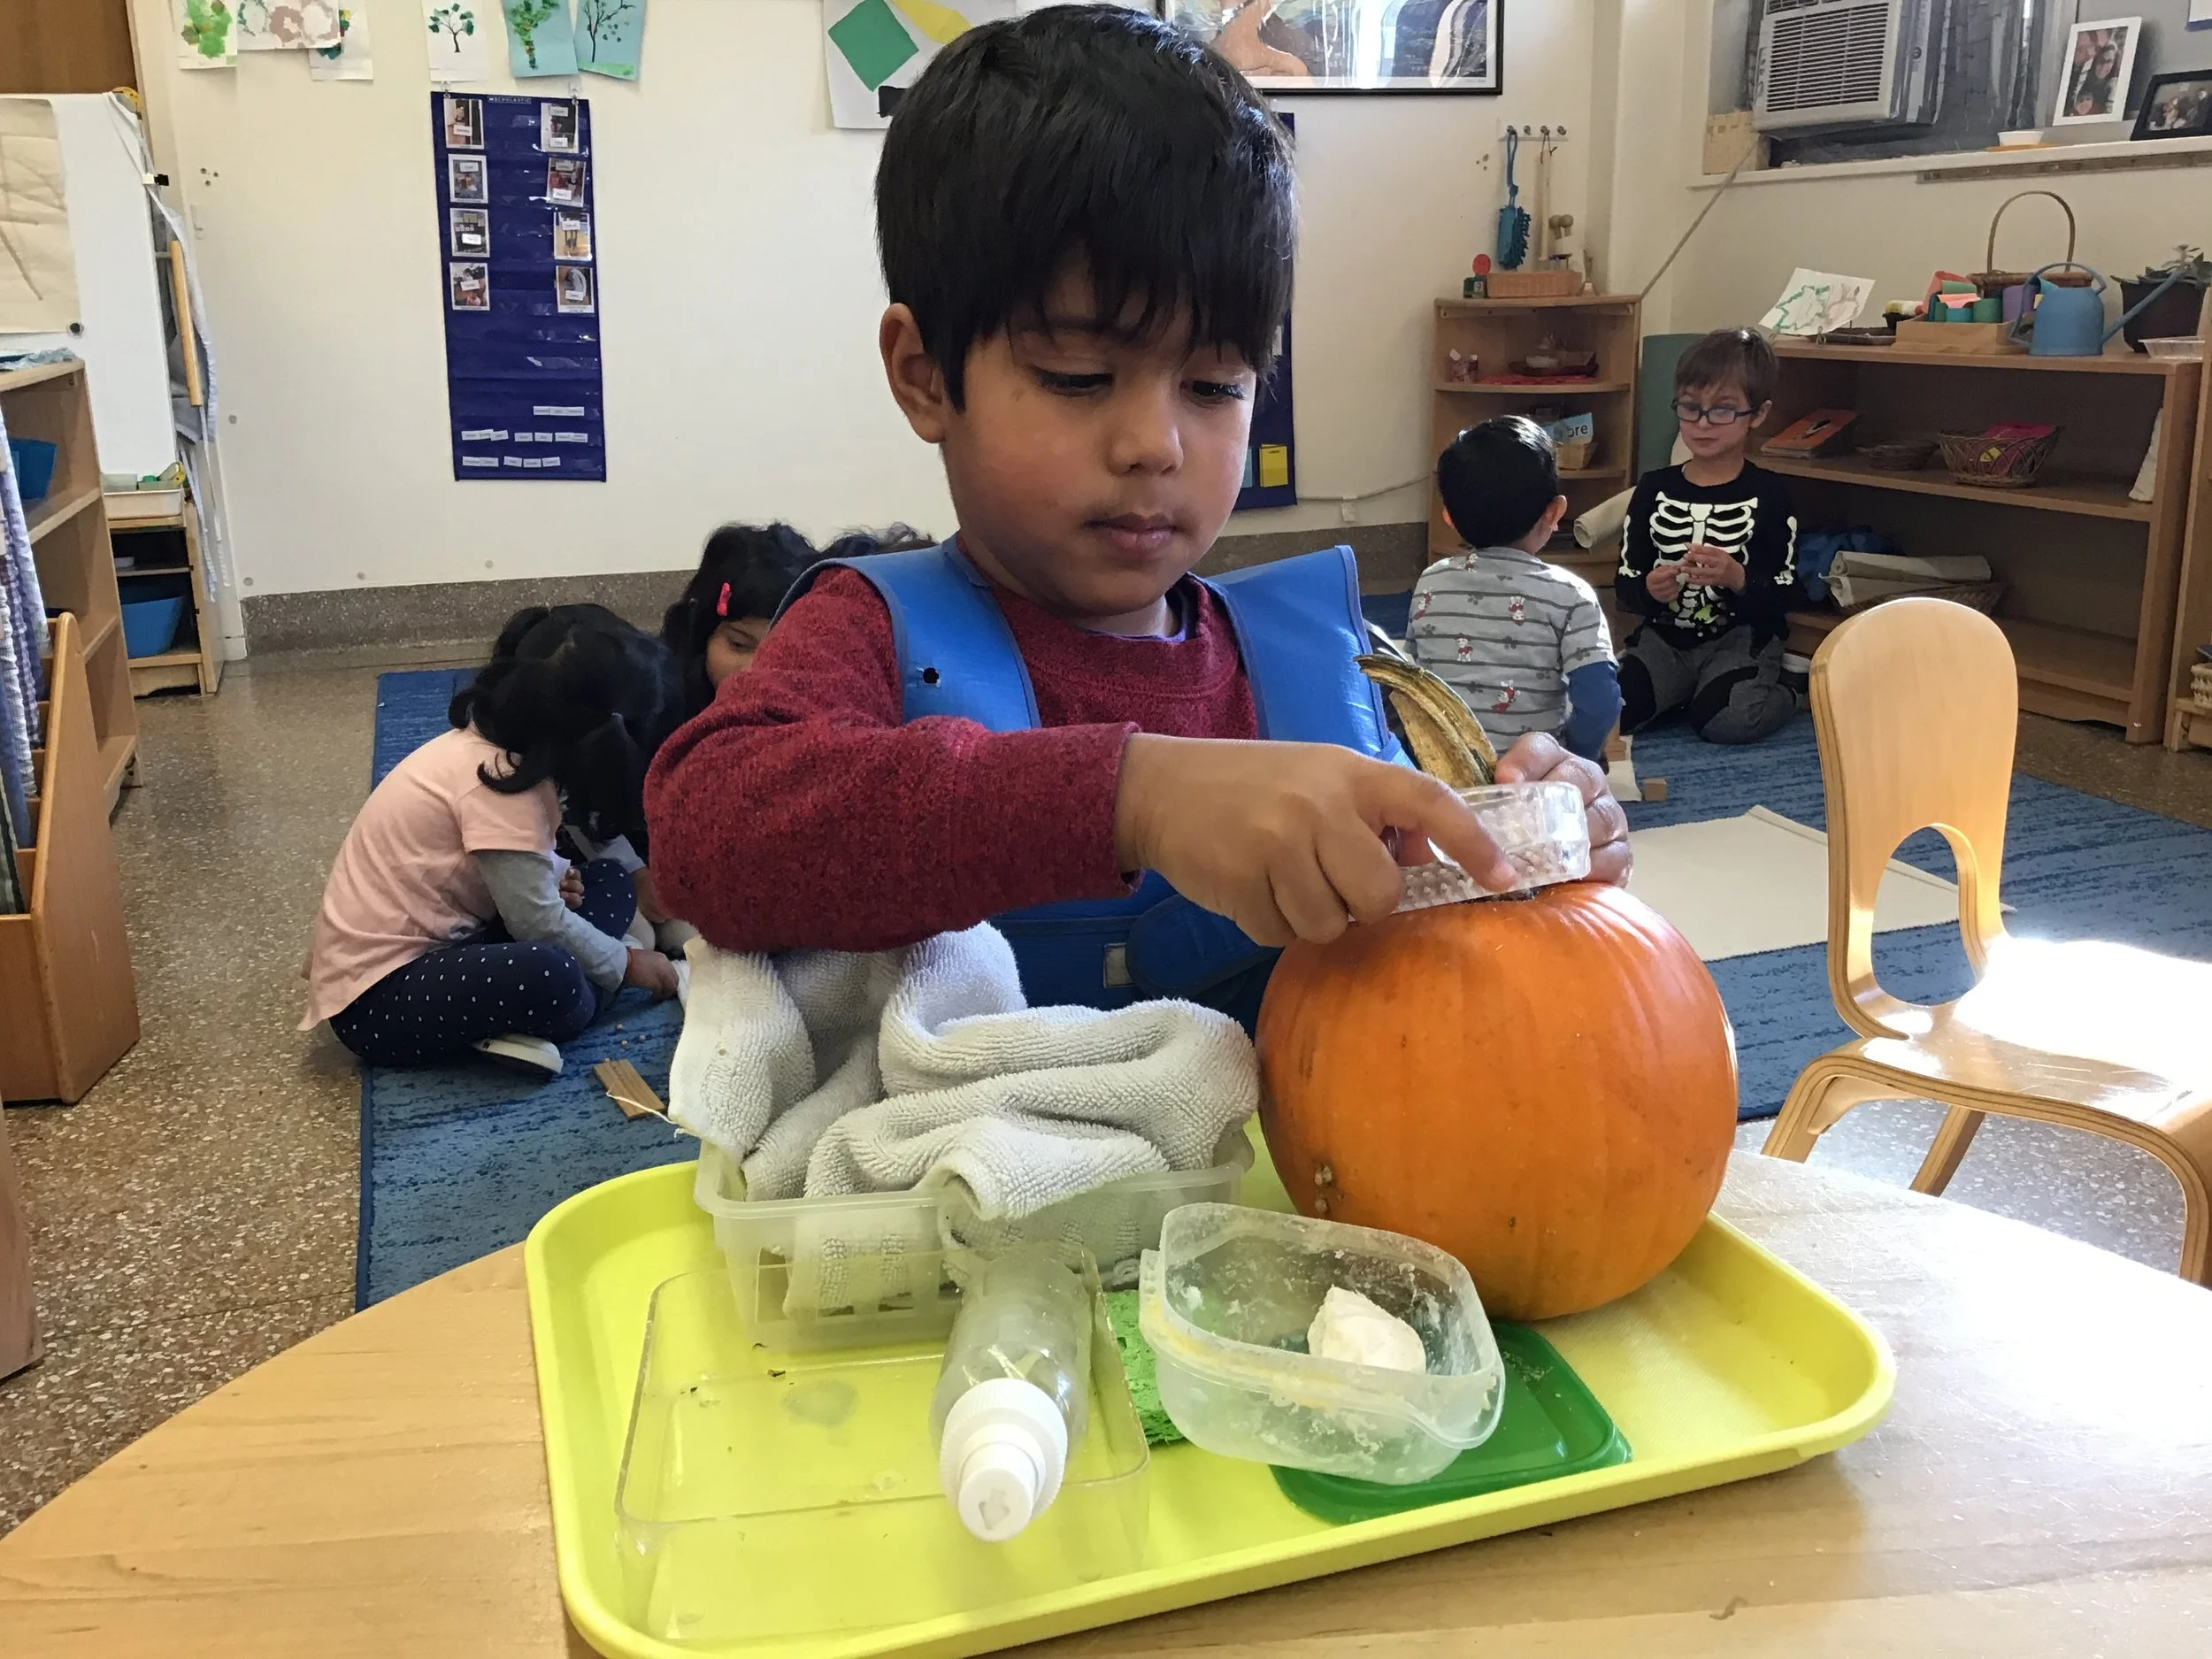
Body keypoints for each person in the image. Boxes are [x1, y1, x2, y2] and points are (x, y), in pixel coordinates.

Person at [645, 5, 1624, 1030]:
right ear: (924, 375)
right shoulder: (874, 631)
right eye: (1079, 376)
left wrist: (1528, 837)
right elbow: (704, 836)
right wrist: (1132, 796)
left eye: (1212, 385)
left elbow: (1427, 906)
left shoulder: (1313, 652)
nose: (1154, 443)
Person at [302, 605, 683, 1079]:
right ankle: (515, 1018)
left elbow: (509, 884)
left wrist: (550, 878)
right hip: (377, 1001)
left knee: (608, 880)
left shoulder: (494, 752)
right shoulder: (502, 784)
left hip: (457, 940)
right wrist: (625, 962)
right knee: (557, 979)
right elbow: (537, 922)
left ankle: (544, 999)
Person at [1614, 327, 1801, 747]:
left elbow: (1787, 593)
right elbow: (1625, 585)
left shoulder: (1771, 494)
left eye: (1722, 410)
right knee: (1612, 710)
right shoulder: (1653, 489)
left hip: (1740, 640)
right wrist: (1648, 588)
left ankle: (1789, 691)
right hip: (1665, 640)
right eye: (1690, 408)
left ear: (1758, 413)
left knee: (1726, 722)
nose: (1701, 423)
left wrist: (1737, 577)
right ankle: (1684, 692)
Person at [1410, 416, 1618, 762]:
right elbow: (1600, 698)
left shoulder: (1430, 581)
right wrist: (1577, 753)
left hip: (1445, 773)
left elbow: (1414, 681)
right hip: (1531, 775)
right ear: (1555, 512)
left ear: (1448, 517)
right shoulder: (1572, 595)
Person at [658, 520, 933, 724]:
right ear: (702, 637)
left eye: (784, 650)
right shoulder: (658, 714)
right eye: (739, 644)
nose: (756, 669)